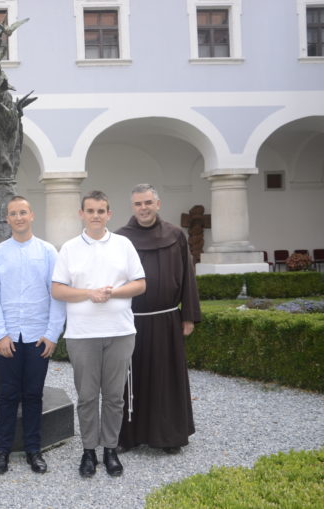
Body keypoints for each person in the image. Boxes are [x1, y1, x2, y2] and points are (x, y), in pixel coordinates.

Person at [51, 190, 146, 478]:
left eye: (101, 211)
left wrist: (112, 292)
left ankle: (111, 450)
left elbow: (140, 284)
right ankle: (89, 451)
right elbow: (57, 289)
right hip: (82, 334)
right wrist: (89, 293)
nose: (96, 216)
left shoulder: (123, 245)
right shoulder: (69, 248)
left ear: (109, 214)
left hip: (120, 331)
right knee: (88, 396)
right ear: (81, 214)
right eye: (90, 211)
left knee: (115, 396)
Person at [116, 183, 201, 454]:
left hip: (166, 319)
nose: (144, 208)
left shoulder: (175, 235)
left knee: (167, 379)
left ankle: (169, 437)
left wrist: (188, 315)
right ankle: (128, 436)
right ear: (132, 207)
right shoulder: (120, 239)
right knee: (130, 378)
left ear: (158, 204)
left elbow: (188, 276)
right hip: (131, 320)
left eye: (148, 202)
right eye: (138, 204)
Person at [0, 196, 65, 475]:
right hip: (8, 337)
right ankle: (2, 450)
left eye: (23, 212)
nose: (18, 217)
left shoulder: (47, 252)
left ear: (32, 215)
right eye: (13, 213)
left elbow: (57, 295)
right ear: (7, 219)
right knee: (7, 394)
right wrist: (0, 334)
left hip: (38, 337)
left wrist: (52, 334)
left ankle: (33, 450)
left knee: (33, 394)